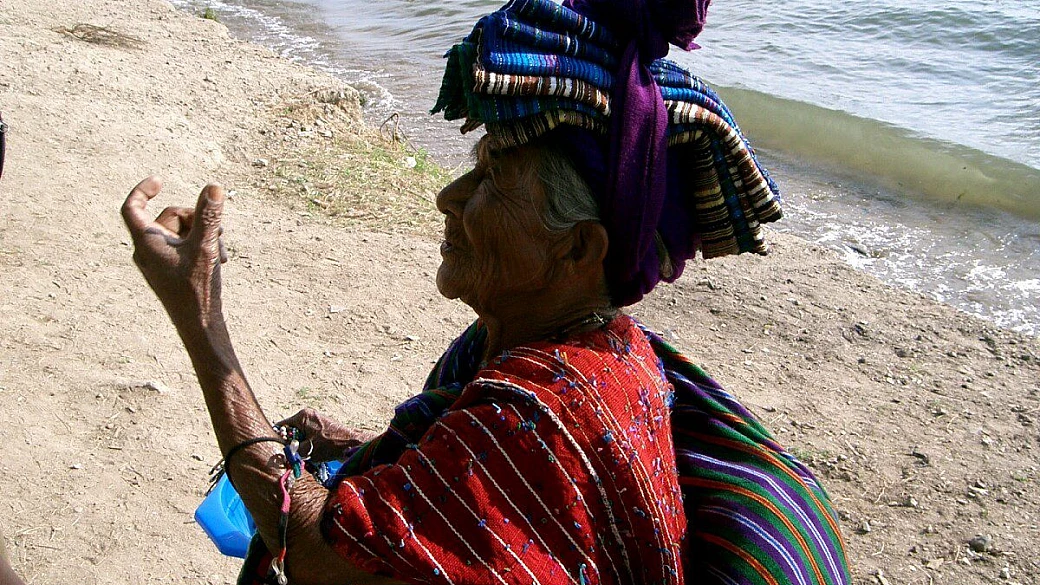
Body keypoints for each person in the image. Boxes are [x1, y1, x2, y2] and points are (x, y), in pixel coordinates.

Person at [122, 0, 851, 583]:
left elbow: (320, 556)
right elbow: (494, 492)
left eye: (495, 175)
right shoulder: (578, 351)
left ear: (577, 249)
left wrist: (201, 319)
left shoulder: (531, 415)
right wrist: (360, 444)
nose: (449, 195)